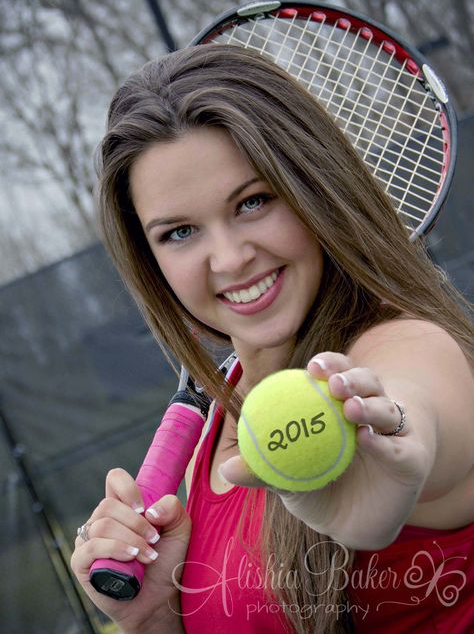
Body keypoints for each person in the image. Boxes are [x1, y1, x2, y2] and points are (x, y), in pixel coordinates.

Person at [70, 44, 474, 634]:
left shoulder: (406, 343)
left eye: (253, 202)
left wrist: (395, 448)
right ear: (150, 259)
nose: (231, 258)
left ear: (313, 186)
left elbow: (417, 410)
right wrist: (157, 617)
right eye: (180, 232)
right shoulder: (214, 433)